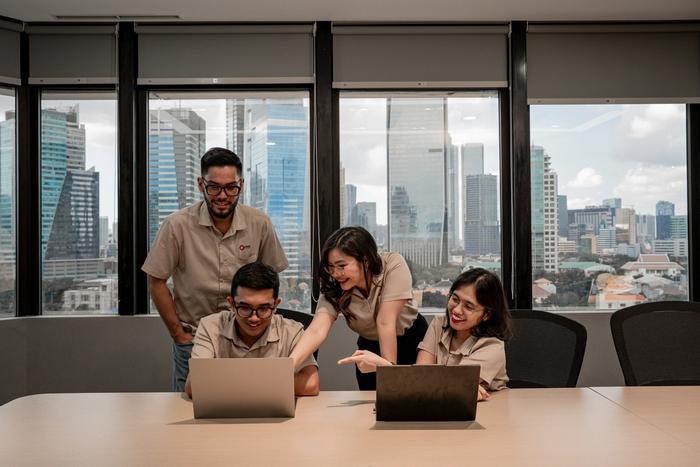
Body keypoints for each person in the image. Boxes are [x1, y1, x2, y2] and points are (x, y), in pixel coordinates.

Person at [142, 147, 288, 392]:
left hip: (248, 340)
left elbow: (271, 278)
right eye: (214, 187)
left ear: (241, 185)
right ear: (201, 184)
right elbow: (156, 281)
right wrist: (178, 334)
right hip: (194, 338)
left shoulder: (259, 222)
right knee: (192, 409)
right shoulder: (177, 225)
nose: (223, 195)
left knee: (251, 405)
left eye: (231, 188)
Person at [338, 268, 512, 401]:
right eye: (455, 299)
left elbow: (455, 388)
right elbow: (420, 377)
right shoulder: (439, 324)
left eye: (468, 306)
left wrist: (382, 365)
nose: (457, 310)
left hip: (485, 418)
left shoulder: (491, 346)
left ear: (487, 314)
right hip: (442, 411)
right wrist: (452, 385)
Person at [289, 226, 428, 390]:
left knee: (416, 401)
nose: (335, 273)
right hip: (369, 348)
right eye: (330, 267)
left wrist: (388, 372)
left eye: (341, 266)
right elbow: (317, 330)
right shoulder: (334, 286)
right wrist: (286, 369)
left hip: (412, 340)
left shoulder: (392, 264)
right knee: (370, 408)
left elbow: (385, 321)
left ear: (365, 260)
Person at [185, 262, 319, 398]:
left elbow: (311, 384)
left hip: (275, 415)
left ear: (276, 304)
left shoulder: (292, 331)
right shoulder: (210, 326)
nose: (254, 318)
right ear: (231, 303)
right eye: (245, 308)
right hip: (224, 416)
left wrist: (230, 380)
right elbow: (193, 385)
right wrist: (272, 380)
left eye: (263, 308)